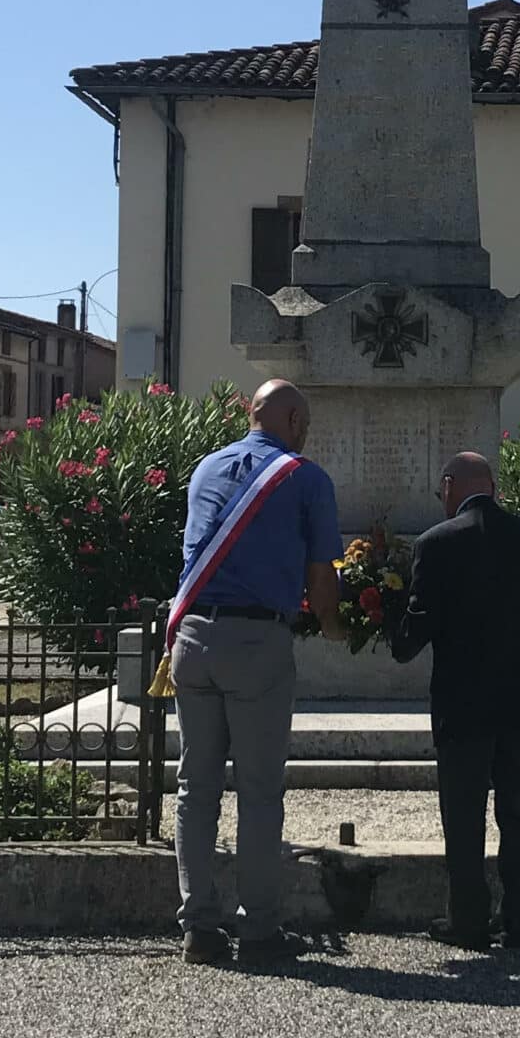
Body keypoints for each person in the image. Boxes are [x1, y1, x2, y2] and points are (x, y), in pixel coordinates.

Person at [167, 380, 340, 966]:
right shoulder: (306, 479)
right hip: (256, 640)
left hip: (193, 636)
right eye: (306, 423)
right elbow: (320, 580)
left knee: (196, 790)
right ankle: (259, 929)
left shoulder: (205, 468)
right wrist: (337, 625)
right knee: (260, 792)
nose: (306, 434)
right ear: (292, 419)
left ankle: (199, 927)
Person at [388, 452, 520, 951]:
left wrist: (391, 627)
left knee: (464, 816)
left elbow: (418, 623)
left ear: (449, 485)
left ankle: (468, 920)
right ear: (493, 486)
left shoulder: (437, 543)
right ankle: (518, 920)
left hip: (465, 701)